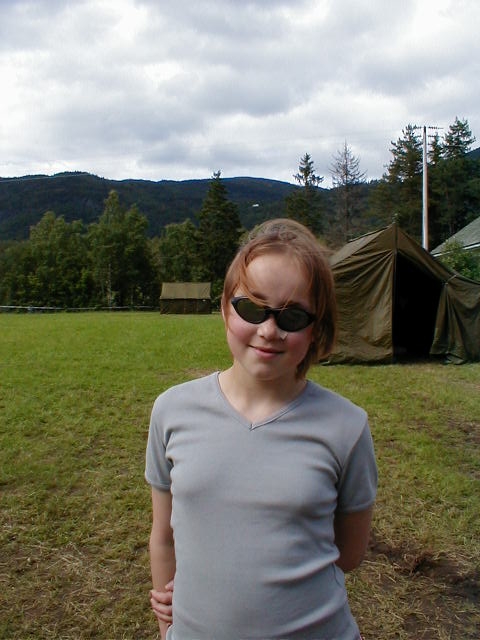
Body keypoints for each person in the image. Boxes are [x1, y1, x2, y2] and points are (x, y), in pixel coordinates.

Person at [145, 218, 377, 640]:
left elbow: (348, 554)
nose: (269, 331)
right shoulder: (172, 411)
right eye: (251, 309)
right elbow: (164, 537)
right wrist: (168, 627)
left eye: (293, 316)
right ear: (224, 308)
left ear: (316, 328)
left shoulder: (347, 427)